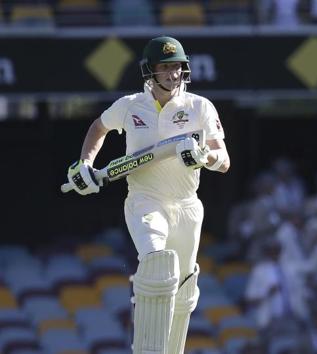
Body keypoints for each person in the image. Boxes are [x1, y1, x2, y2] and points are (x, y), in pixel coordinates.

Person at [65, 36, 230, 354]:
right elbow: (98, 127)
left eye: (178, 68)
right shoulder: (130, 106)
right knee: (157, 262)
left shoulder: (199, 107)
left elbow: (223, 160)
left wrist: (204, 158)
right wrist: (86, 162)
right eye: (165, 68)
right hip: (145, 200)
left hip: (187, 207)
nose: (173, 75)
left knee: (183, 288)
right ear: (150, 72)